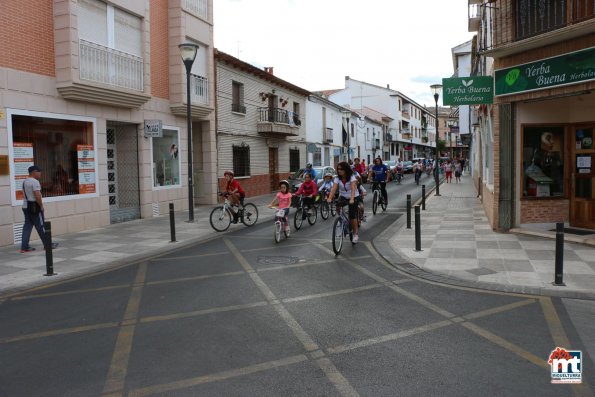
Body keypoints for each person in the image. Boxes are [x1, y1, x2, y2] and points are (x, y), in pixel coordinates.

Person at [20, 165, 59, 253]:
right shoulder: (35, 182)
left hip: (25, 207)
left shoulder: (25, 181)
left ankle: (24, 247)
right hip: (34, 207)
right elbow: (37, 195)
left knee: (27, 227)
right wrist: (41, 206)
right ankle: (48, 245)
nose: (40, 173)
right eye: (39, 171)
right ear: (33, 172)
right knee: (41, 226)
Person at [327, 161, 360, 243]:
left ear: (346, 169)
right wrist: (330, 198)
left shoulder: (351, 177)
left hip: (354, 196)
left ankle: (355, 234)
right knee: (338, 206)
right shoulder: (337, 178)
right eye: (338, 169)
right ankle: (342, 220)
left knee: (352, 215)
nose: (339, 170)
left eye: (341, 169)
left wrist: (352, 199)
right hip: (343, 196)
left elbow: (353, 188)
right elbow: (334, 189)